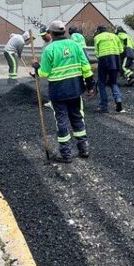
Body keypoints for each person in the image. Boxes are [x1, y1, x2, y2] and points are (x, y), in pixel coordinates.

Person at [36, 20, 93, 162]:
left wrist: (36, 67)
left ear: (51, 33)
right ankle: (83, 148)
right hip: (75, 89)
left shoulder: (49, 50)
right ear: (64, 31)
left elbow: (44, 73)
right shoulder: (75, 45)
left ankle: (66, 153)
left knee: (61, 120)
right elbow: (86, 67)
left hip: (58, 92)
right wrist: (90, 85)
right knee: (77, 118)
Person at [92, 24, 125, 113]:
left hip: (103, 61)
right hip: (115, 60)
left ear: (99, 31)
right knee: (113, 82)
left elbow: (96, 52)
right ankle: (119, 105)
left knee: (101, 84)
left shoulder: (97, 37)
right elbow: (121, 50)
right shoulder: (115, 36)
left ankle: (104, 106)